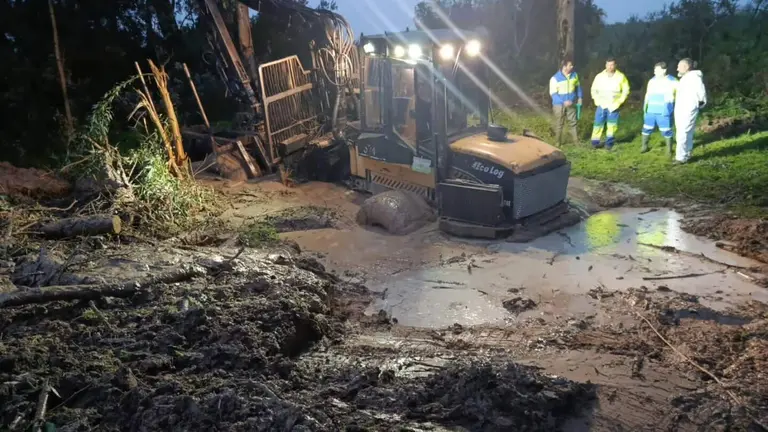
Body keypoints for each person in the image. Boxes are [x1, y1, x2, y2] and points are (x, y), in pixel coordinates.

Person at [590, 58, 630, 150]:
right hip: (601, 104)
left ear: (615, 65)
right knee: (598, 124)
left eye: (612, 65)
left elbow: (626, 90)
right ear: (605, 65)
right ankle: (595, 143)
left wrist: (620, 101)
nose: (610, 67)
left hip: (614, 105)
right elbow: (593, 89)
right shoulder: (599, 76)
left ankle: (609, 143)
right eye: (608, 65)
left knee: (612, 125)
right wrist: (596, 100)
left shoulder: (621, 77)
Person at [673, 58, 707, 164]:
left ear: (686, 67)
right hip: (681, 108)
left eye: (679, 66)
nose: (677, 68)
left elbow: (701, 93)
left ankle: (681, 157)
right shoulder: (685, 78)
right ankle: (686, 154)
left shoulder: (694, 77)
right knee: (685, 132)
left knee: (683, 132)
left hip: (688, 108)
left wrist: (698, 104)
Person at [641, 62, 678, 154]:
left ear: (664, 70)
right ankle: (644, 146)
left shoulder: (673, 81)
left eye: (657, 70)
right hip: (650, 110)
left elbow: (680, 94)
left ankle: (669, 150)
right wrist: (645, 108)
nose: (655, 72)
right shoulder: (652, 81)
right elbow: (647, 95)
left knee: (666, 130)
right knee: (647, 128)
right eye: (654, 70)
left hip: (664, 110)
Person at [549, 58, 583, 145]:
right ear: (564, 67)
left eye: (572, 65)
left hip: (571, 103)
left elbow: (578, 88)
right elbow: (553, 94)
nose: (572, 66)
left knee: (573, 122)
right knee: (559, 123)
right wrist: (563, 102)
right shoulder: (555, 78)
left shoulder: (574, 75)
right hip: (559, 105)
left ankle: (576, 142)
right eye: (570, 65)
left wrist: (580, 98)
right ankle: (557, 143)